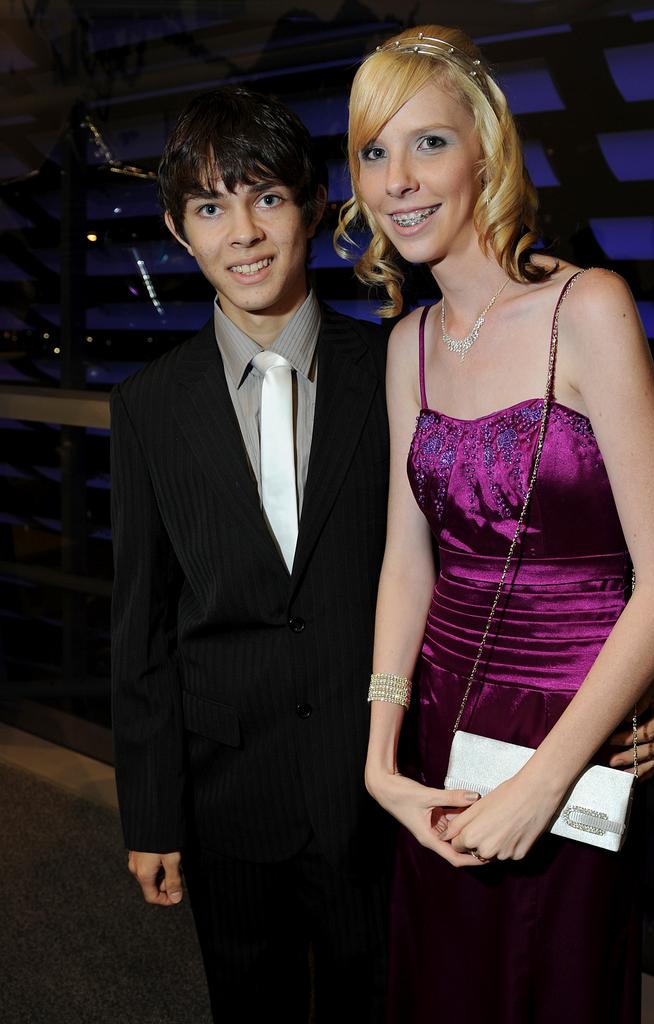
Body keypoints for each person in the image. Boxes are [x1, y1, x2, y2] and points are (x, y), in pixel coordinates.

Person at [336, 25, 654, 1023]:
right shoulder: (406, 342)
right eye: (374, 151)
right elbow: (408, 563)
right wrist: (378, 757)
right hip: (439, 717)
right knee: (441, 983)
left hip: (565, 723)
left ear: (488, 151)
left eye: (429, 143)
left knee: (551, 986)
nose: (399, 179)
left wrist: (548, 781)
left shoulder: (588, 307)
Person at [109, 87, 393, 1023]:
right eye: (210, 206)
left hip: (373, 783)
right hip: (228, 791)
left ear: (313, 205)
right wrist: (151, 814)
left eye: (266, 197)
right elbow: (143, 626)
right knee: (249, 1006)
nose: (243, 232)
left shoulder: (395, 369)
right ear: (178, 230)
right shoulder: (150, 407)